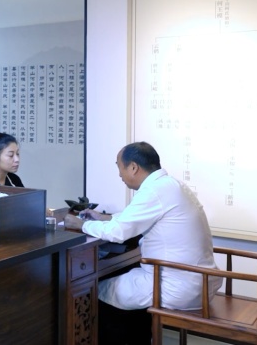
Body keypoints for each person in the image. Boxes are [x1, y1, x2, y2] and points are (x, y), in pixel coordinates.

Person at [64, 142, 222, 344]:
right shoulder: (170, 185)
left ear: (133, 167)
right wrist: (103, 217)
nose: (119, 174)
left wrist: (81, 224)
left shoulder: (154, 192)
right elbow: (133, 218)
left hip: (177, 285)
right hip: (198, 280)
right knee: (120, 278)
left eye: (119, 167)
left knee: (96, 289)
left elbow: (118, 232)